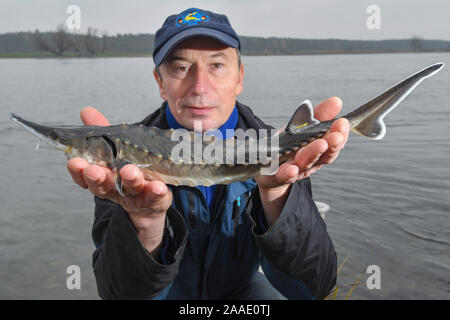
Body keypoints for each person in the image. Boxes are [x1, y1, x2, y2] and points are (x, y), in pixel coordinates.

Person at [67, 8, 350, 299]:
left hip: (239, 293)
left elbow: (314, 289)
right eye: (180, 68)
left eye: (216, 65)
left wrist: (277, 199)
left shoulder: (275, 149)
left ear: (239, 77)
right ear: (160, 82)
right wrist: (144, 223)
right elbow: (119, 295)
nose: (199, 87)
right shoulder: (125, 162)